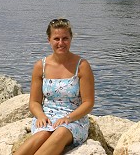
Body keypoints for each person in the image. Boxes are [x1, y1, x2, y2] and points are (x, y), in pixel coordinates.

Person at [15, 18, 95, 155]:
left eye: (65, 38)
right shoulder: (41, 66)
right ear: (49, 40)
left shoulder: (82, 66)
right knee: (42, 134)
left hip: (74, 119)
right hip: (47, 117)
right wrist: (40, 116)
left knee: (61, 132)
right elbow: (34, 101)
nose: (61, 43)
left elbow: (88, 103)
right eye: (56, 39)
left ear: (71, 39)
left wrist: (68, 118)